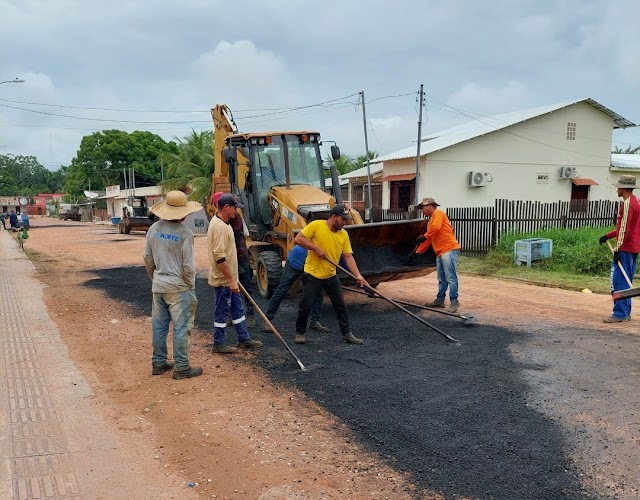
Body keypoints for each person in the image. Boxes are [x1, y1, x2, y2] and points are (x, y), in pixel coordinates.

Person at [143, 190, 203, 380]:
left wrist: (155, 278)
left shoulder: (153, 229)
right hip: (178, 287)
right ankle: (182, 367)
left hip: (159, 285)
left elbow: (147, 258)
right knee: (181, 327)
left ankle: (159, 363)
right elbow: (188, 266)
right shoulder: (185, 233)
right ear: (184, 212)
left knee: (159, 326)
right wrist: (189, 285)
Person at [294, 204, 367, 345]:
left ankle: (347, 334)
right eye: (343, 219)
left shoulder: (343, 234)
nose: (345, 223)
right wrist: (315, 247)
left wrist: (358, 275)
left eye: (346, 220)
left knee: (340, 305)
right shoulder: (316, 225)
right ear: (333, 217)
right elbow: (298, 239)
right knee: (306, 305)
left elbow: (348, 256)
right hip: (313, 274)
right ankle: (300, 332)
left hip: (330, 275)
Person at [208, 193, 263, 353]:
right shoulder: (219, 227)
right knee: (222, 310)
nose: (236, 211)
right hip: (224, 279)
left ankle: (243, 338)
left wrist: (233, 278)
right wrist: (231, 280)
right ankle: (218, 343)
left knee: (237, 309)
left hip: (230, 278)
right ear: (226, 207)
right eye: (234, 208)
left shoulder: (225, 224)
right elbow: (219, 256)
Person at [599, 175, 640, 323]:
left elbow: (624, 230)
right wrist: (608, 236)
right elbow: (627, 228)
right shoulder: (636, 202)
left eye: (618, 187)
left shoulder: (628, 204)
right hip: (634, 247)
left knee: (619, 280)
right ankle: (625, 312)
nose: (617, 189)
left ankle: (620, 313)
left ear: (623, 188)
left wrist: (617, 249)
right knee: (626, 279)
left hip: (626, 248)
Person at [212, 191, 256, 328]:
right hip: (227, 259)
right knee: (230, 289)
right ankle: (232, 316)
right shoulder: (218, 221)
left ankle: (250, 314)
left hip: (240, 256)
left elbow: (237, 240)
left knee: (246, 286)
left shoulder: (234, 218)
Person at [261, 244, 329, 333]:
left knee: (318, 291)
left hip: (311, 265)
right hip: (296, 261)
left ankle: (314, 321)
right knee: (282, 290)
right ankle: (267, 320)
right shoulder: (316, 232)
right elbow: (300, 239)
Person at [414, 197, 461, 313]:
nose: (422, 211)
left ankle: (454, 302)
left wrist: (424, 236)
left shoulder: (438, 213)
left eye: (423, 208)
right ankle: (440, 300)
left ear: (430, 206)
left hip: (448, 249)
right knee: (441, 278)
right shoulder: (431, 221)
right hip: (440, 252)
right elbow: (429, 239)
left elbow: (435, 229)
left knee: (450, 277)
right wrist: (419, 251)